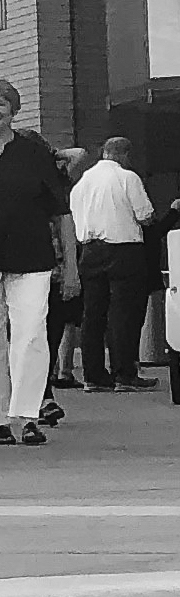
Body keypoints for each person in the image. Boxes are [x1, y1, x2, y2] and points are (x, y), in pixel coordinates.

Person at [0, 83, 66, 447]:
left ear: (14, 110)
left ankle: (25, 416)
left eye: (3, 102)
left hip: (31, 255)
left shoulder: (33, 152)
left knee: (30, 334)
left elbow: (60, 210)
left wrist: (70, 265)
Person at [70, 136, 154, 393]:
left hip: (89, 250)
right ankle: (124, 374)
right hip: (123, 249)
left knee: (92, 314)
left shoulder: (82, 182)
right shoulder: (128, 178)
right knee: (122, 313)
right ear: (124, 155)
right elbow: (145, 215)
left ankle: (93, 376)